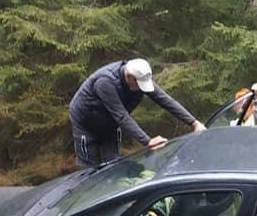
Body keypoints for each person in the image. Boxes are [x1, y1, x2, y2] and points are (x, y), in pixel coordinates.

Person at [69, 58, 205, 167]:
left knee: (112, 164)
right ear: (128, 76)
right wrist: (147, 141)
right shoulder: (105, 82)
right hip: (86, 123)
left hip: (109, 123)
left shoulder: (140, 77)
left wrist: (193, 122)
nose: (141, 88)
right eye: (138, 84)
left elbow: (165, 100)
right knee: (90, 169)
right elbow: (121, 115)